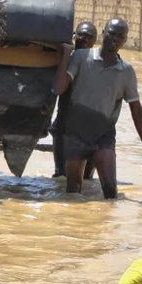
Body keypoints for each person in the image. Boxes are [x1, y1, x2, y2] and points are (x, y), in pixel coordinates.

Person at [52, 17, 142, 199]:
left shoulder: (126, 72)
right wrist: (67, 55)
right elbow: (59, 89)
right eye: (111, 34)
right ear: (103, 33)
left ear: (124, 41)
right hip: (75, 134)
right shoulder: (82, 58)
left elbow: (136, 111)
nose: (114, 39)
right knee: (73, 193)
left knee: (110, 194)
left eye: (119, 37)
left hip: (103, 135)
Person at [51, 20, 97, 177]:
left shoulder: (97, 64)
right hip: (64, 121)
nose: (83, 39)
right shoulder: (65, 59)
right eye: (81, 34)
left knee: (87, 179)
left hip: (88, 123)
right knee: (61, 176)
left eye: (88, 36)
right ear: (73, 36)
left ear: (95, 41)